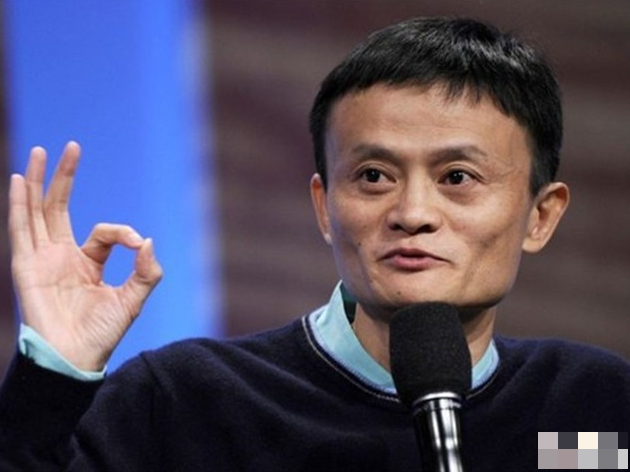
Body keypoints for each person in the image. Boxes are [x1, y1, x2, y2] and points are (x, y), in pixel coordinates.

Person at [1, 17, 629, 472]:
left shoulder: (590, 406)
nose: (412, 214)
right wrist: (52, 376)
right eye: (373, 176)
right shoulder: (187, 404)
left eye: (457, 178)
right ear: (325, 206)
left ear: (540, 215)